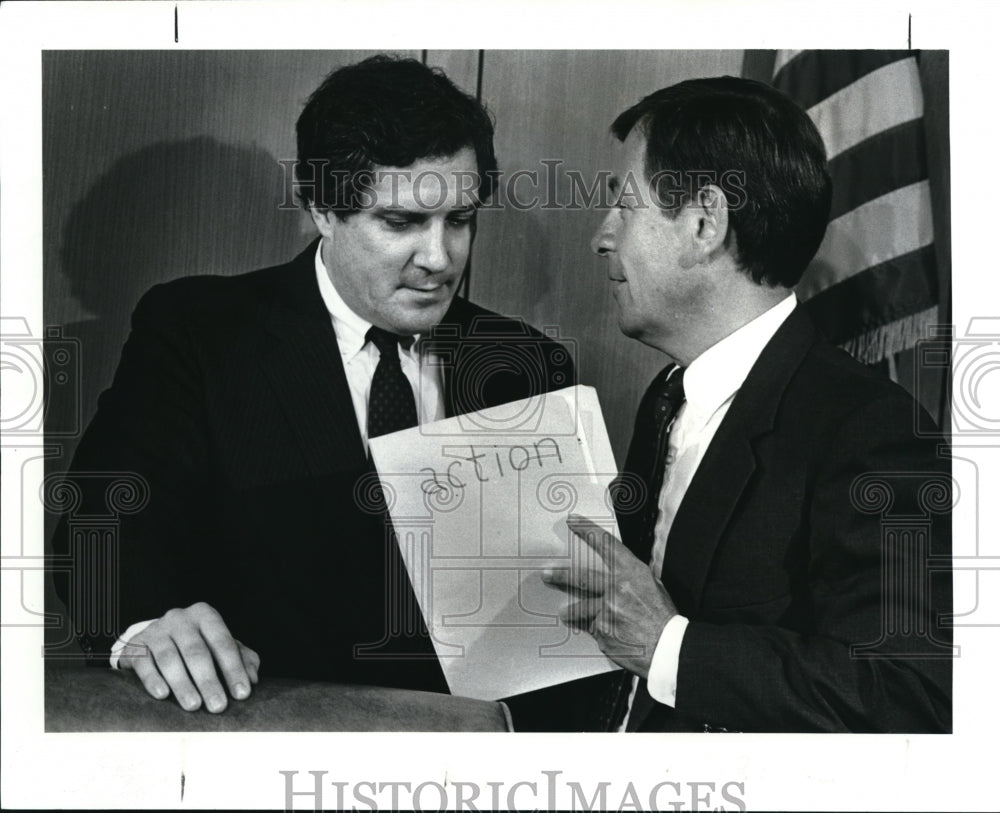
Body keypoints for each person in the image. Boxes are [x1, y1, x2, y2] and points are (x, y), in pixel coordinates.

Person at [52, 55, 574, 719]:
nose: (441, 258)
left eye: (461, 219)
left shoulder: (528, 361)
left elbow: (553, 614)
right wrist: (142, 628)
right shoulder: (198, 331)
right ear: (323, 208)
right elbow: (96, 529)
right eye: (401, 222)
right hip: (261, 732)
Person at [542, 76, 952, 732]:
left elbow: (905, 691)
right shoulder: (667, 394)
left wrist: (668, 645)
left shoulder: (872, 429)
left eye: (624, 206)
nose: (602, 237)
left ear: (705, 223)